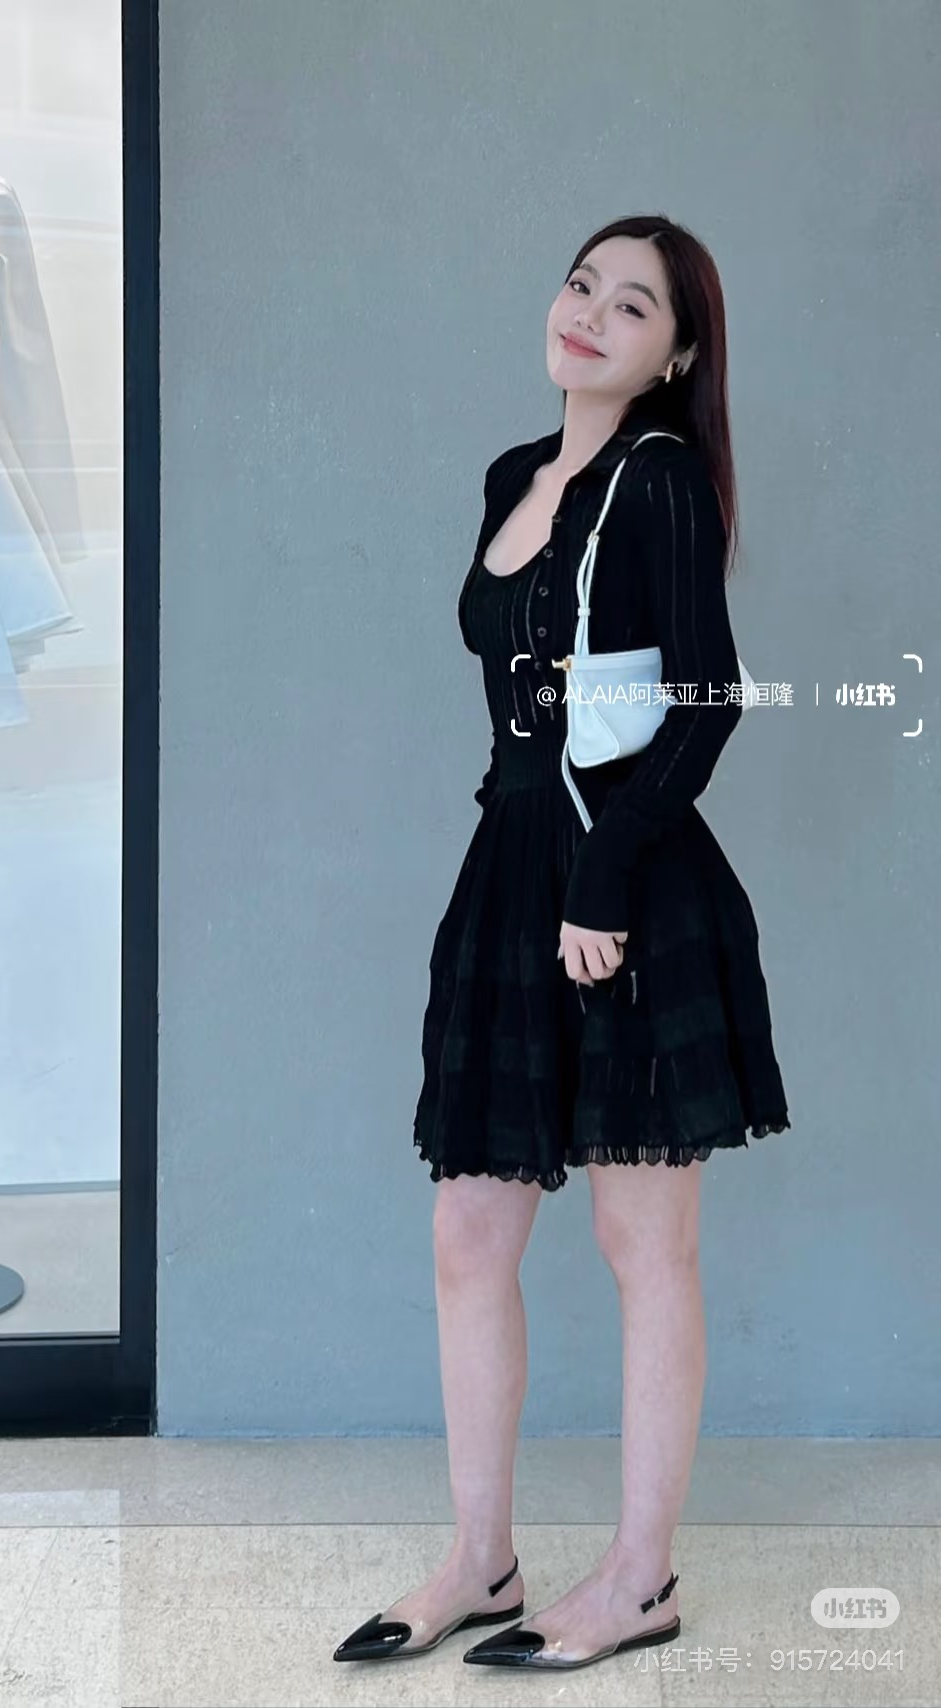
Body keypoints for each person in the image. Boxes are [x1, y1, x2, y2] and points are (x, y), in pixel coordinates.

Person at [334, 215, 791, 1672]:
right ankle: (482, 1559)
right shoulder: (511, 477)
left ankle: (642, 1579)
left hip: (625, 873)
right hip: (510, 867)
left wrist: (600, 880)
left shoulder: (661, 481)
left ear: (680, 354)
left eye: (633, 304)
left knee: (644, 1240)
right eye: (582, 283)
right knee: (469, 1231)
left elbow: (707, 698)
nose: (589, 312)